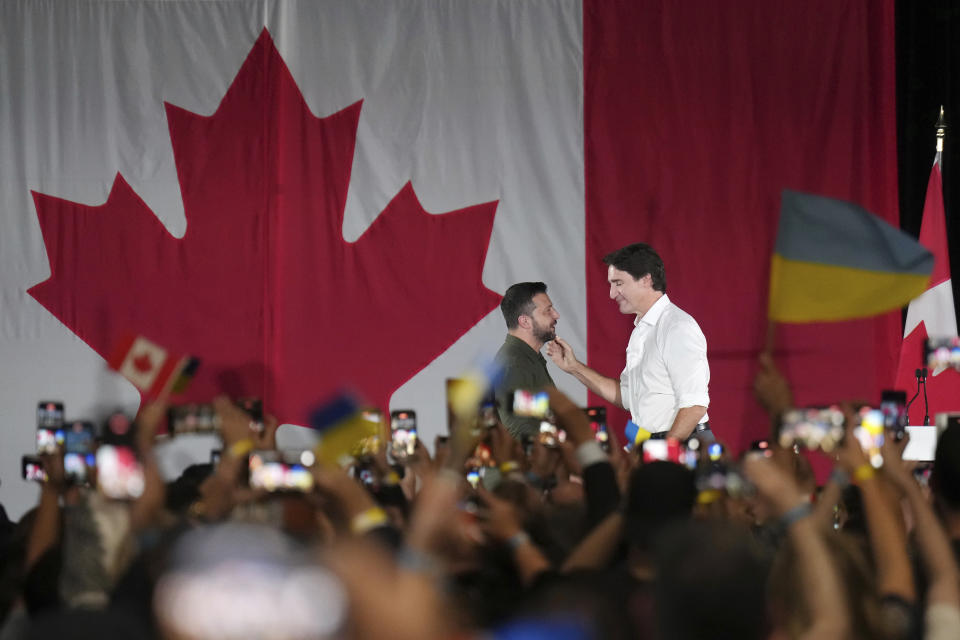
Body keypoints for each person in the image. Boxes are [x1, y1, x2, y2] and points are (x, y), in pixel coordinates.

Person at [547, 243, 711, 440]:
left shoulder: (677, 327)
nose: (612, 293)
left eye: (618, 283)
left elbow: (695, 406)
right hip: (654, 444)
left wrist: (665, 454)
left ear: (646, 279)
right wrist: (573, 367)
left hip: (683, 446)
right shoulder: (641, 330)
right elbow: (627, 397)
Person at [493, 282, 560, 439]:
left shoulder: (527, 358)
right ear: (525, 322)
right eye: (548, 311)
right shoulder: (513, 364)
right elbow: (523, 435)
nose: (556, 315)